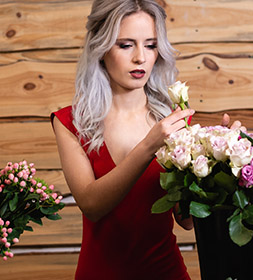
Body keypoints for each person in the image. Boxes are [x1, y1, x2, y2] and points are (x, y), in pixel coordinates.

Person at [50, 0, 194, 279]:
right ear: (101, 49)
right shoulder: (70, 123)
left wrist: (218, 165)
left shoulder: (174, 121)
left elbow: (186, 221)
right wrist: (149, 146)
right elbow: (92, 206)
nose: (140, 57)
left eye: (150, 45)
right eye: (126, 45)